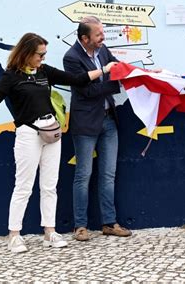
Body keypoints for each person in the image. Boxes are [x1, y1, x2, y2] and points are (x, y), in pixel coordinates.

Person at [0, 33, 105, 253]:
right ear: (26, 52)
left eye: (44, 54)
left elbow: (78, 79)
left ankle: (50, 232)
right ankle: (14, 234)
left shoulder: (45, 72)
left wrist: (105, 70)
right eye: (40, 54)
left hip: (51, 133)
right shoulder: (11, 77)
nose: (43, 58)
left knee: (49, 186)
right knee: (24, 186)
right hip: (28, 134)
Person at [63, 16, 132, 241]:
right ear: (85, 38)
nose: (103, 37)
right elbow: (87, 91)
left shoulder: (103, 50)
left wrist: (146, 75)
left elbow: (119, 72)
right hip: (85, 124)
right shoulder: (71, 58)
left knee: (108, 174)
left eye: (103, 33)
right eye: (99, 34)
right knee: (83, 175)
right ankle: (80, 226)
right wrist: (110, 82)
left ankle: (109, 223)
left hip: (109, 121)